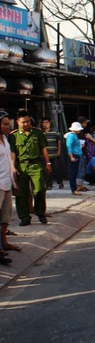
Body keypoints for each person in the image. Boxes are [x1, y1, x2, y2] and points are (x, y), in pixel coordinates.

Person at [9, 110, 51, 226]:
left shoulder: (37, 133)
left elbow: (43, 149)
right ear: (17, 122)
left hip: (35, 165)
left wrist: (48, 163)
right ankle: (24, 217)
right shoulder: (13, 136)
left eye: (28, 122)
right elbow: (13, 152)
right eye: (23, 122)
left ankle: (40, 213)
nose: (26, 124)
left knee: (39, 189)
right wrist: (12, 167)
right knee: (21, 193)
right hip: (21, 166)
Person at [0, 111, 18, 261]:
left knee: (5, 216)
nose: (8, 126)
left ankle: (4, 243)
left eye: (8, 123)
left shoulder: (5, 139)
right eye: (5, 124)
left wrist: (13, 182)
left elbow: (7, 163)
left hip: (7, 182)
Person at [41, 117, 64, 190]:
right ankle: (49, 185)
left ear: (49, 123)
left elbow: (59, 140)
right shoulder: (41, 133)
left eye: (47, 122)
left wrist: (59, 150)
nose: (45, 124)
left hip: (54, 154)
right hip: (45, 156)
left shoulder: (55, 132)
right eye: (44, 123)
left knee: (57, 169)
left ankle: (60, 182)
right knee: (47, 171)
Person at [65, 122, 84, 196]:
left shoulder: (74, 136)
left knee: (75, 172)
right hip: (74, 155)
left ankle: (75, 188)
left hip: (76, 155)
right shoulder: (72, 136)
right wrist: (71, 157)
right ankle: (74, 189)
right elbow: (69, 146)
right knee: (72, 173)